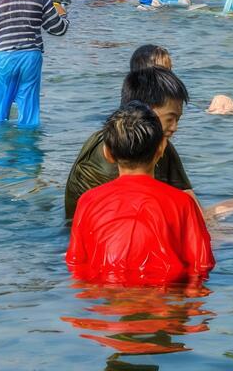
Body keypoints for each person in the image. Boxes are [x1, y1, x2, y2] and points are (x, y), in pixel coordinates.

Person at [66, 102, 215, 286]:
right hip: (165, 299)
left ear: (108, 153)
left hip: (109, 298)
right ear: (161, 149)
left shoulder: (88, 201)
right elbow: (201, 265)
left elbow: (76, 263)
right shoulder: (183, 202)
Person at [64, 67, 196, 219]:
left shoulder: (159, 142)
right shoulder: (118, 150)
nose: (175, 128)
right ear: (144, 112)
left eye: (177, 120)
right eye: (170, 119)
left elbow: (186, 193)